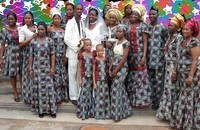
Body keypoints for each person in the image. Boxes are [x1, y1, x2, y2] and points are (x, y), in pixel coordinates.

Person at [170, 18, 200, 130]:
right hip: (181, 75)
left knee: (188, 98)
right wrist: (174, 71)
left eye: (187, 30)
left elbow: (195, 60)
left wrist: (191, 76)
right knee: (182, 96)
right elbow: (179, 57)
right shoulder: (182, 41)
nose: (185, 31)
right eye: (184, 29)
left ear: (192, 31)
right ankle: (180, 122)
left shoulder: (194, 42)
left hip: (190, 75)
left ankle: (188, 124)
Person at [156, 14, 184, 120]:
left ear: (177, 28)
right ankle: (166, 114)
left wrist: (175, 71)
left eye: (172, 26)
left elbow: (178, 55)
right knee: (167, 90)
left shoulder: (179, 38)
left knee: (172, 90)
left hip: (173, 68)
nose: (169, 27)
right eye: (169, 25)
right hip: (167, 67)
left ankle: (172, 115)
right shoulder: (169, 37)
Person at [29, 21, 57, 118]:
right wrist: (30, 69)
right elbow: (31, 56)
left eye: (42, 29)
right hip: (37, 69)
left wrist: (52, 68)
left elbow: (52, 54)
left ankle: (52, 110)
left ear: (45, 30)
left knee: (49, 88)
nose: (40, 31)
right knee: (39, 89)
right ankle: (41, 111)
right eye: (39, 29)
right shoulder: (33, 42)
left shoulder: (50, 41)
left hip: (47, 68)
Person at [127, 4, 151, 107]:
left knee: (141, 76)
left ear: (139, 16)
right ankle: (133, 100)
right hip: (130, 55)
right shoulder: (127, 25)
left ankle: (142, 101)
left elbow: (145, 42)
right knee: (132, 76)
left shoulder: (143, 26)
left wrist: (144, 56)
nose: (133, 16)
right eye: (132, 14)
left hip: (140, 54)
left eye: (136, 15)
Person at [147, 6, 169, 110]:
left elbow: (167, 41)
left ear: (158, 15)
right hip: (148, 60)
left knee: (160, 82)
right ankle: (153, 101)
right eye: (150, 14)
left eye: (154, 14)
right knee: (151, 82)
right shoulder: (146, 27)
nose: (152, 16)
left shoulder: (162, 27)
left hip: (159, 60)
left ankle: (160, 103)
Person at [109, 24, 132, 121]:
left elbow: (123, 59)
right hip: (114, 67)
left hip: (121, 69)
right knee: (120, 89)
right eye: (117, 31)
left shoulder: (126, 43)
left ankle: (116, 114)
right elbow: (114, 56)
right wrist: (110, 68)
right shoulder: (117, 42)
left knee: (115, 89)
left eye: (120, 31)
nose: (118, 33)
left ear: (124, 32)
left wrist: (115, 71)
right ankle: (125, 111)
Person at [64, 3, 85, 105]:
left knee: (79, 75)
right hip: (73, 52)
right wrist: (77, 47)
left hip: (81, 52)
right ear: (74, 10)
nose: (79, 11)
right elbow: (66, 39)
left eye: (81, 9)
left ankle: (79, 95)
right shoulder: (70, 23)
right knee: (72, 75)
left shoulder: (81, 22)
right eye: (77, 9)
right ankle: (73, 96)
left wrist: (83, 46)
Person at [0, 12, 21, 102]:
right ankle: (15, 92)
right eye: (9, 19)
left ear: (16, 20)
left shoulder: (20, 28)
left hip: (21, 52)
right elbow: (3, 45)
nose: (10, 21)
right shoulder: (4, 30)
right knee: (13, 74)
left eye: (12, 19)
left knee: (21, 73)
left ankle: (23, 90)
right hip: (11, 53)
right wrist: (1, 57)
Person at [49, 8, 68, 103]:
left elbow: (66, 44)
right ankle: (56, 97)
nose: (57, 20)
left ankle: (64, 96)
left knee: (63, 76)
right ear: (52, 19)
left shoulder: (64, 30)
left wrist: (66, 56)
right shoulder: (50, 30)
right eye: (55, 18)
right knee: (55, 77)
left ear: (61, 19)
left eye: (58, 18)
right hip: (54, 56)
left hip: (62, 55)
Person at [18, 11, 37, 104]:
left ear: (32, 18)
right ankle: (28, 97)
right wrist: (32, 37)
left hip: (37, 55)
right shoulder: (22, 29)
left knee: (35, 75)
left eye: (29, 18)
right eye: (25, 18)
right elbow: (21, 43)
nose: (27, 20)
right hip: (27, 54)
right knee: (27, 75)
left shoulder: (36, 28)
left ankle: (35, 96)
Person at [76, 38, 94, 120]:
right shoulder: (82, 55)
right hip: (84, 78)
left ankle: (89, 112)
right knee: (83, 94)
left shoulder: (93, 55)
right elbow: (79, 68)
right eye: (87, 45)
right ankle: (83, 112)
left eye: (90, 45)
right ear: (84, 46)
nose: (89, 46)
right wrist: (79, 80)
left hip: (91, 78)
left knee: (89, 94)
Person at [92, 44, 111, 120]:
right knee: (98, 98)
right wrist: (94, 83)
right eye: (99, 51)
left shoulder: (105, 59)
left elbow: (107, 69)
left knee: (105, 97)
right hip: (98, 81)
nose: (100, 52)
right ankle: (98, 114)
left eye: (102, 50)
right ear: (96, 51)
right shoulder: (95, 60)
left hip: (105, 81)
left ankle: (106, 114)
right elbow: (93, 72)